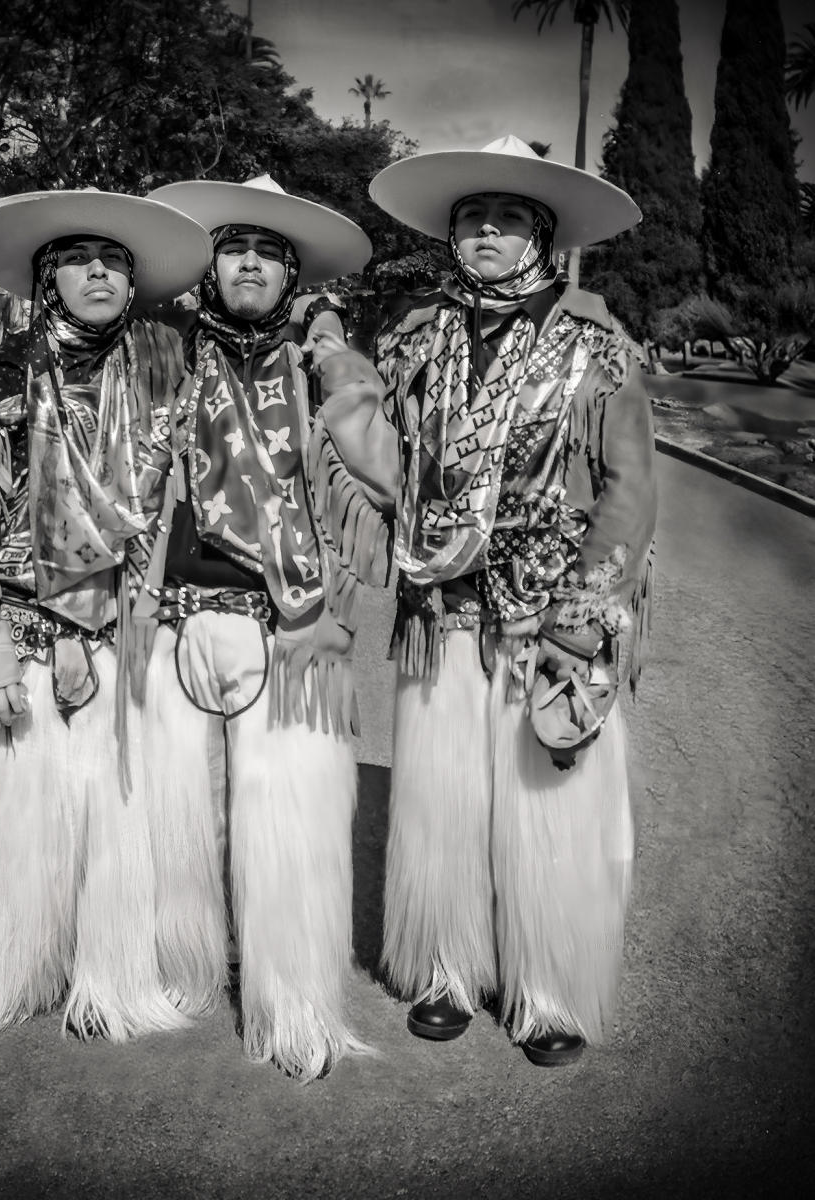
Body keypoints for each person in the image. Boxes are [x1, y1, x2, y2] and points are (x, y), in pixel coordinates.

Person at [368, 135, 657, 1066]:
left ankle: (548, 987)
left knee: (548, 809)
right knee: (442, 799)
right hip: (442, 608)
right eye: (471, 218)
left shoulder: (596, 345)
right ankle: (447, 966)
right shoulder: (417, 338)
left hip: (548, 615)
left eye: (507, 218)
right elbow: (380, 457)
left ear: (543, 235)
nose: (486, 233)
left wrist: (583, 619)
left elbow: (629, 490)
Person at [0, 189, 212, 1041]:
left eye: (114, 260)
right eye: (78, 260)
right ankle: (18, 970)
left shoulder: (167, 377)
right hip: (22, 638)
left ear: (134, 280)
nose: (98, 273)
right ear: (47, 279)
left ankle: (109, 977)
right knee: (16, 829)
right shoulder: (0, 381)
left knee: (122, 831)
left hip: (128, 638)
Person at [130, 175, 398, 1081]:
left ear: (293, 275)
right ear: (209, 265)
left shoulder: (322, 369)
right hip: (177, 624)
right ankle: (186, 973)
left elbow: (382, 483)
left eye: (268, 252)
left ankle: (295, 1009)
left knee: (290, 834)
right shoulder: (166, 354)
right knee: (180, 821)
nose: (249, 262)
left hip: (291, 630)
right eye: (233, 247)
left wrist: (333, 351)